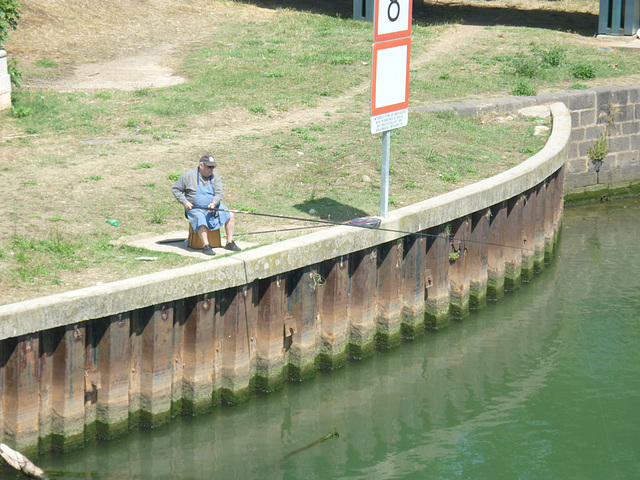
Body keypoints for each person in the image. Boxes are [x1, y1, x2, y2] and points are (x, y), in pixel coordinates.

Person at [172, 153, 241, 255]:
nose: (211, 169)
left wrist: (214, 203)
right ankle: (206, 246)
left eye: (213, 167)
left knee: (230, 214)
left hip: (213, 207)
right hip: (195, 209)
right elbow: (176, 189)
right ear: (201, 165)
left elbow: (219, 193)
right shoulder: (188, 176)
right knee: (200, 218)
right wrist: (185, 202)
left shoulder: (215, 176)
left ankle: (229, 242)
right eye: (209, 167)